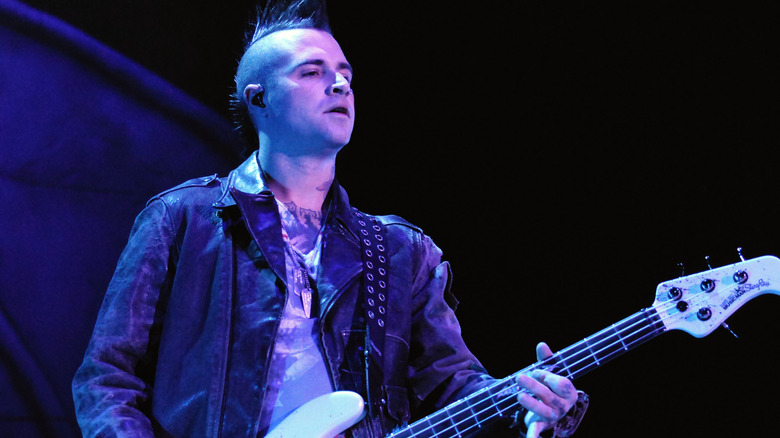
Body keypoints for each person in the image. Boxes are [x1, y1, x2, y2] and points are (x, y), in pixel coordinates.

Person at [72, 1, 586, 437]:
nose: (340, 85)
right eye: (312, 71)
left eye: (346, 74)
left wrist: (533, 406)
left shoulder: (400, 249)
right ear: (260, 99)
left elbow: (455, 383)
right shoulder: (182, 219)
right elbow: (106, 379)